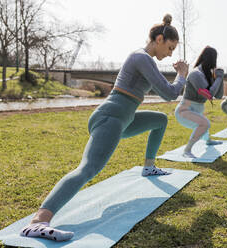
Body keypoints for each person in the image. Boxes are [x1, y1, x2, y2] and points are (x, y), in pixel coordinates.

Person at [19, 14, 188, 242]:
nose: (170, 53)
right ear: (159, 39)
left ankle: (148, 166)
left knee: (160, 120)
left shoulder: (146, 60)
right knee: (87, 169)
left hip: (124, 119)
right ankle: (37, 222)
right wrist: (181, 76)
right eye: (170, 47)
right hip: (111, 118)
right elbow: (169, 93)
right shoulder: (142, 57)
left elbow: (164, 90)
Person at [174, 46, 224, 158]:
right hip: (184, 111)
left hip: (196, 111)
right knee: (205, 123)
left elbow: (219, 95)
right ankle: (187, 151)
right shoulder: (195, 74)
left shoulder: (208, 75)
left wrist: (219, 78)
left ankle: (208, 140)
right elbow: (209, 95)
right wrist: (219, 78)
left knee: (203, 124)